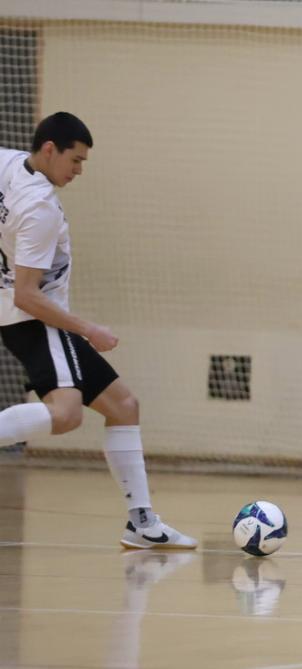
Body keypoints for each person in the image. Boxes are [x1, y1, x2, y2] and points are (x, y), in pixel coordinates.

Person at [0, 112, 197, 550]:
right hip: (38, 320)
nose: (79, 170)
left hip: (29, 319)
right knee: (66, 414)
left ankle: (141, 523)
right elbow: (27, 296)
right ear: (49, 149)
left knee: (124, 406)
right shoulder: (39, 209)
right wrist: (89, 329)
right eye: (75, 160)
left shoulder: (8, 162)